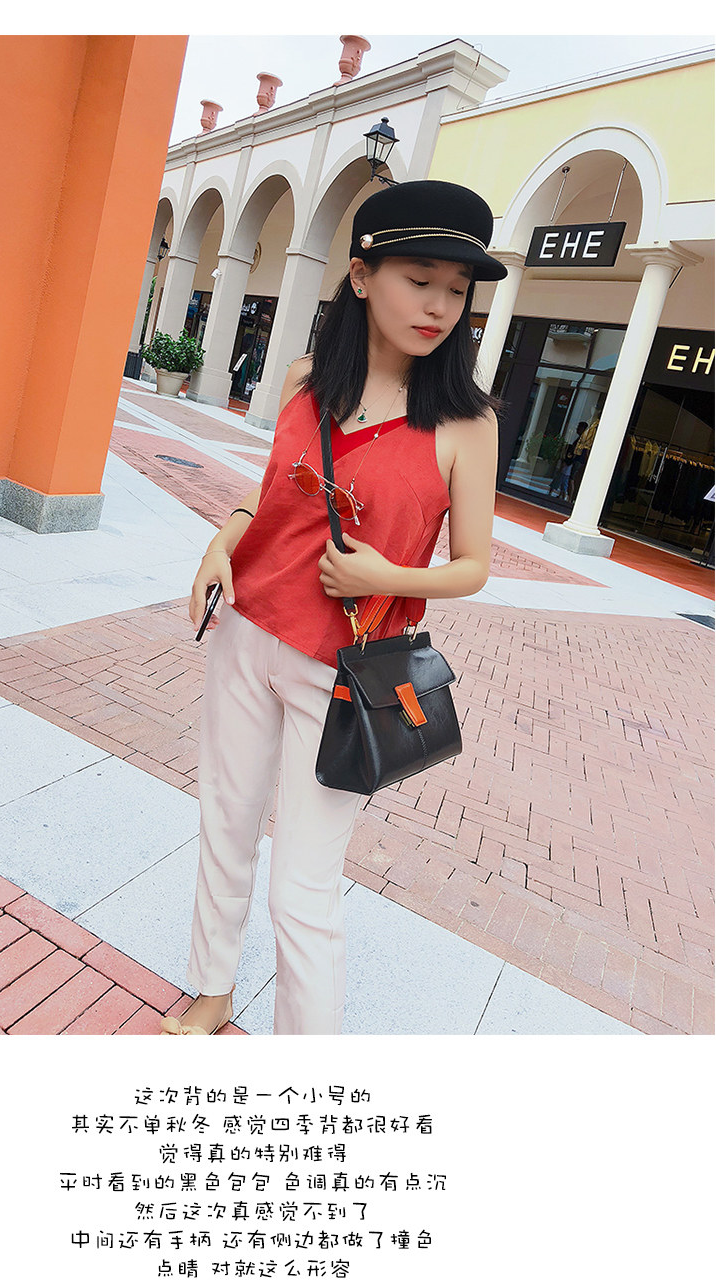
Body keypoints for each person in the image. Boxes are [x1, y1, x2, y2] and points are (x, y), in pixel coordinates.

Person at [161, 179, 508, 1037]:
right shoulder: (305, 381)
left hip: (345, 675)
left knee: (304, 887)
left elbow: (472, 568)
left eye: (456, 289)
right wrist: (221, 541)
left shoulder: (465, 424)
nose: (439, 306)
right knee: (225, 823)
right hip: (246, 630)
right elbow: (272, 495)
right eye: (419, 280)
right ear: (361, 276)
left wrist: (388, 575)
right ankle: (211, 988)